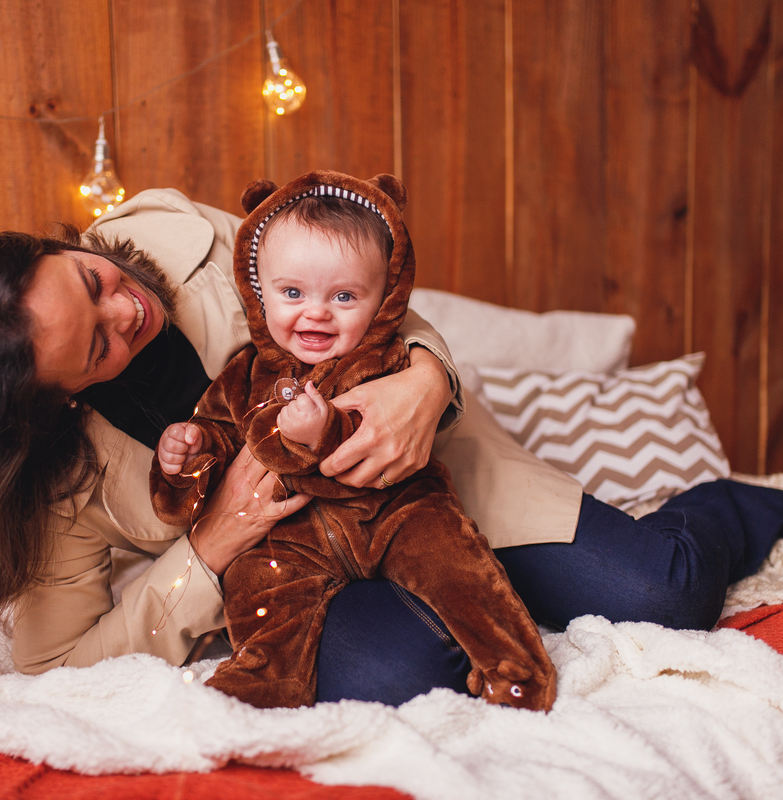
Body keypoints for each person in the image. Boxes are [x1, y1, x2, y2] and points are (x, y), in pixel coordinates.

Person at [0, 180, 783, 707]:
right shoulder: (60, 482)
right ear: (55, 405)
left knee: (660, 594)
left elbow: (361, 292)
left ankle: (735, 503)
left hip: (430, 490)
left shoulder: (175, 236)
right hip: (307, 568)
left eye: (87, 277)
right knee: (398, 675)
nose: (124, 306)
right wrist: (209, 547)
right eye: (96, 343)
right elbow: (51, 670)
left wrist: (425, 383)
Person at [151, 171, 554, 711]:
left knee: (460, 570)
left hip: (394, 512)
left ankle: (515, 665)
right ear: (258, 292)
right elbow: (223, 437)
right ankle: (261, 683)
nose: (316, 312)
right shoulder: (243, 375)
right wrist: (188, 456)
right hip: (288, 540)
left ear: (385, 297)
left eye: (343, 295)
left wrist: (326, 432)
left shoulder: (385, 361)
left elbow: (383, 434)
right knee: (259, 591)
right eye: (292, 292)